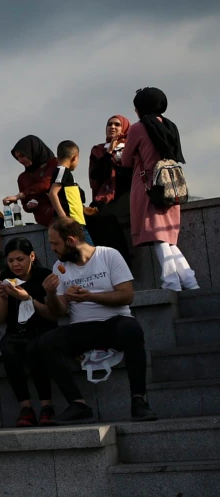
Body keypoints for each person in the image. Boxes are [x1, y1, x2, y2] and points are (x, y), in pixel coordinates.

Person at [37, 218, 157, 423]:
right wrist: (49, 294)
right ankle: (78, 404)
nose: (52, 249)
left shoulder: (108, 255)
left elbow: (127, 295)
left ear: (71, 241)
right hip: (82, 327)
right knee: (46, 343)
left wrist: (90, 296)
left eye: (55, 244)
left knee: (132, 329)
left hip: (114, 322)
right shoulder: (59, 266)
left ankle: (139, 400)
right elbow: (60, 310)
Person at [122, 87, 197, 292]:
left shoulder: (138, 128)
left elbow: (126, 160)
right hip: (171, 185)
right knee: (168, 238)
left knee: (158, 236)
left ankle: (171, 282)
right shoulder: (170, 125)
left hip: (148, 186)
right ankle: (190, 281)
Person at [0, 238, 57, 427]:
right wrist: (3, 298)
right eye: (11, 260)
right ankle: (26, 408)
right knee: (9, 350)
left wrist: (27, 298)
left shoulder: (44, 276)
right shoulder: (5, 276)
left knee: (34, 349)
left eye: (20, 259)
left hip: (41, 328)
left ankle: (47, 406)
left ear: (32, 256)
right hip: (16, 331)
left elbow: (52, 315)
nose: (15, 265)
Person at [87, 115, 134, 261]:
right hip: (105, 195)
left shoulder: (131, 148)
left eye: (117, 125)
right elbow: (96, 175)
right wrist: (109, 153)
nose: (112, 127)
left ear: (125, 128)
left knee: (109, 216)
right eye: (110, 124)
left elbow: (130, 176)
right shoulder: (98, 150)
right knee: (93, 217)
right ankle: (106, 261)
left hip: (126, 194)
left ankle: (122, 260)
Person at [2, 135, 60, 228]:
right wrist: (30, 205)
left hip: (64, 214)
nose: (20, 160)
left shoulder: (54, 163)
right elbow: (25, 205)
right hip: (46, 221)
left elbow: (45, 184)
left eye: (22, 156)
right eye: (17, 158)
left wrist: (19, 195)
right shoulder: (23, 178)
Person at [49, 141, 91, 230]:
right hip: (71, 223)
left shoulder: (66, 173)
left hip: (77, 221)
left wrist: (83, 209)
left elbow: (68, 197)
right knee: (85, 244)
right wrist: (63, 217)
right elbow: (53, 193)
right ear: (74, 158)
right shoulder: (62, 171)